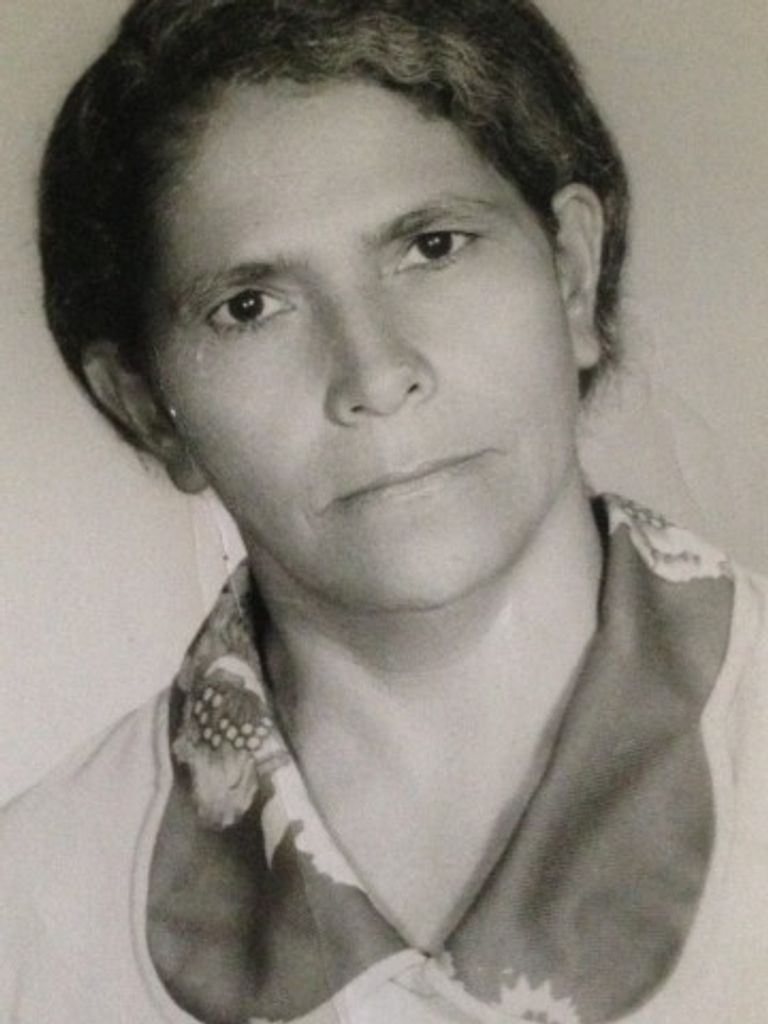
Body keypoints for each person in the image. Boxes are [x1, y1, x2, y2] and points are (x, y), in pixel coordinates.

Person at [1, 1, 767, 1022]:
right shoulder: (29, 917)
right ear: (145, 406)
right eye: (249, 307)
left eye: (434, 246)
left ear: (572, 276)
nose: (373, 372)